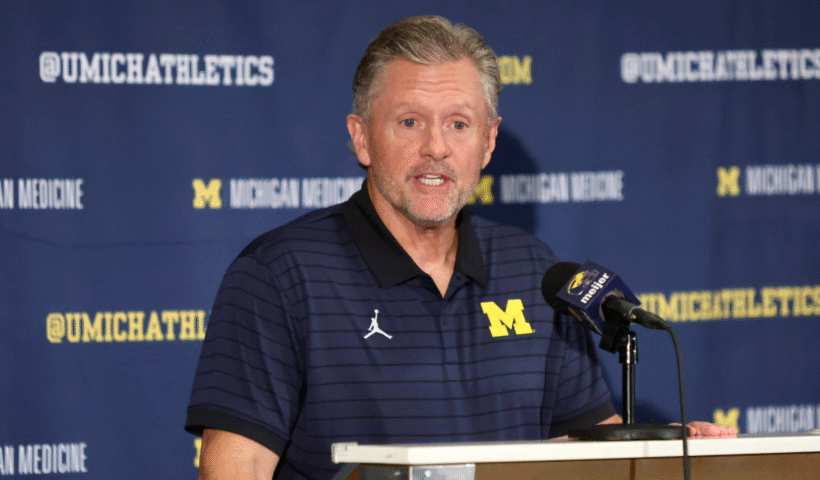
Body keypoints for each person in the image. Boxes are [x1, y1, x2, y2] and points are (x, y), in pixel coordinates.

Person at [185, 15, 736, 480]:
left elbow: (578, 450)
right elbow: (238, 469)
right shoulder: (279, 274)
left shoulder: (536, 272)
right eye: (409, 122)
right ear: (361, 137)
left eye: (458, 124)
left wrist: (675, 451)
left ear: (488, 142)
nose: (436, 149)